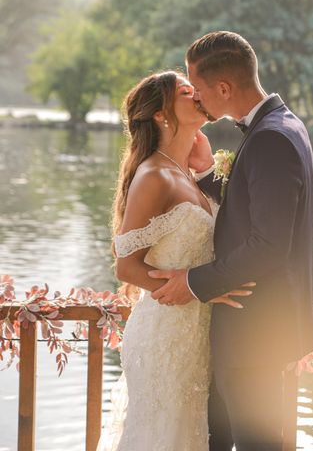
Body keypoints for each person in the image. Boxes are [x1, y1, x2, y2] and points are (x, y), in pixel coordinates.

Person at [149, 31, 313, 450]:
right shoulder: (280, 126)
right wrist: (209, 174)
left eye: (199, 89)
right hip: (258, 323)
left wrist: (193, 282)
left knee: (256, 443)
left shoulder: (271, 139)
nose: (196, 98)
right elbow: (257, 207)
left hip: (256, 328)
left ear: (224, 88)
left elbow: (268, 244)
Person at [98, 70, 252, 450]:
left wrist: (206, 169)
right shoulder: (154, 175)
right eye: (187, 91)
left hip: (196, 336)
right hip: (164, 334)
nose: (197, 93)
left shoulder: (186, 172)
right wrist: (200, 289)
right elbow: (126, 266)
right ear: (161, 114)